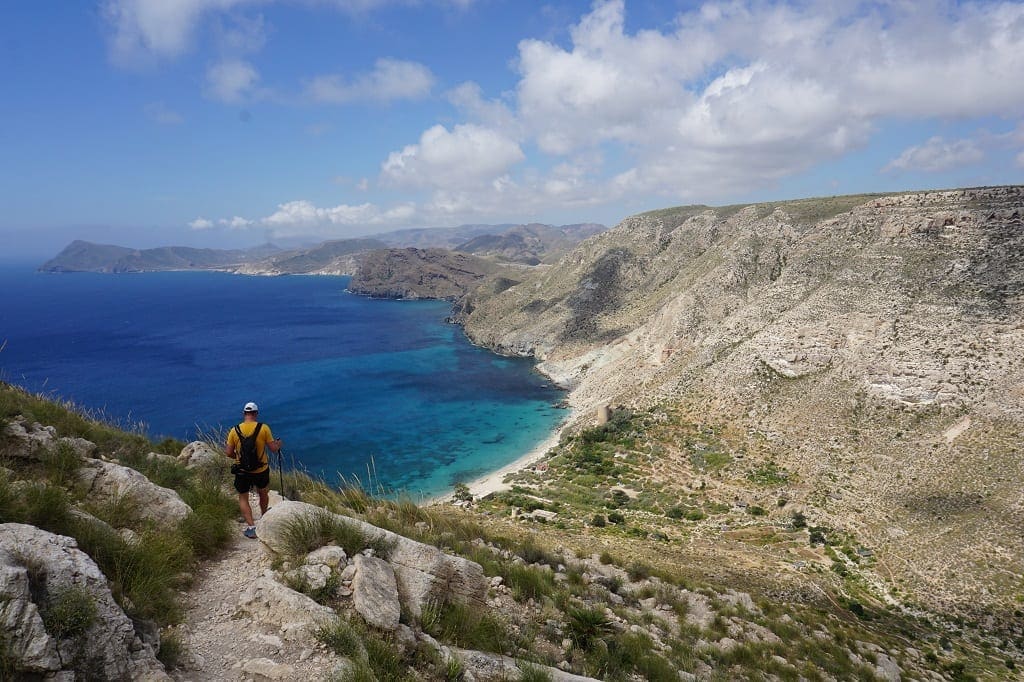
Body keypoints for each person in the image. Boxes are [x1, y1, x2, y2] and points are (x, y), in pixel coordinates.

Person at [225, 401, 282, 539]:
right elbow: (273, 449)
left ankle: (251, 527)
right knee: (263, 493)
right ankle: (264, 517)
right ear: (256, 413)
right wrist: (278, 444)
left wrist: (238, 458)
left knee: (243, 497)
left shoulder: (234, 430)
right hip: (260, 469)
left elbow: (228, 453)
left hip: (242, 470)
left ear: (244, 414)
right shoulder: (264, 428)